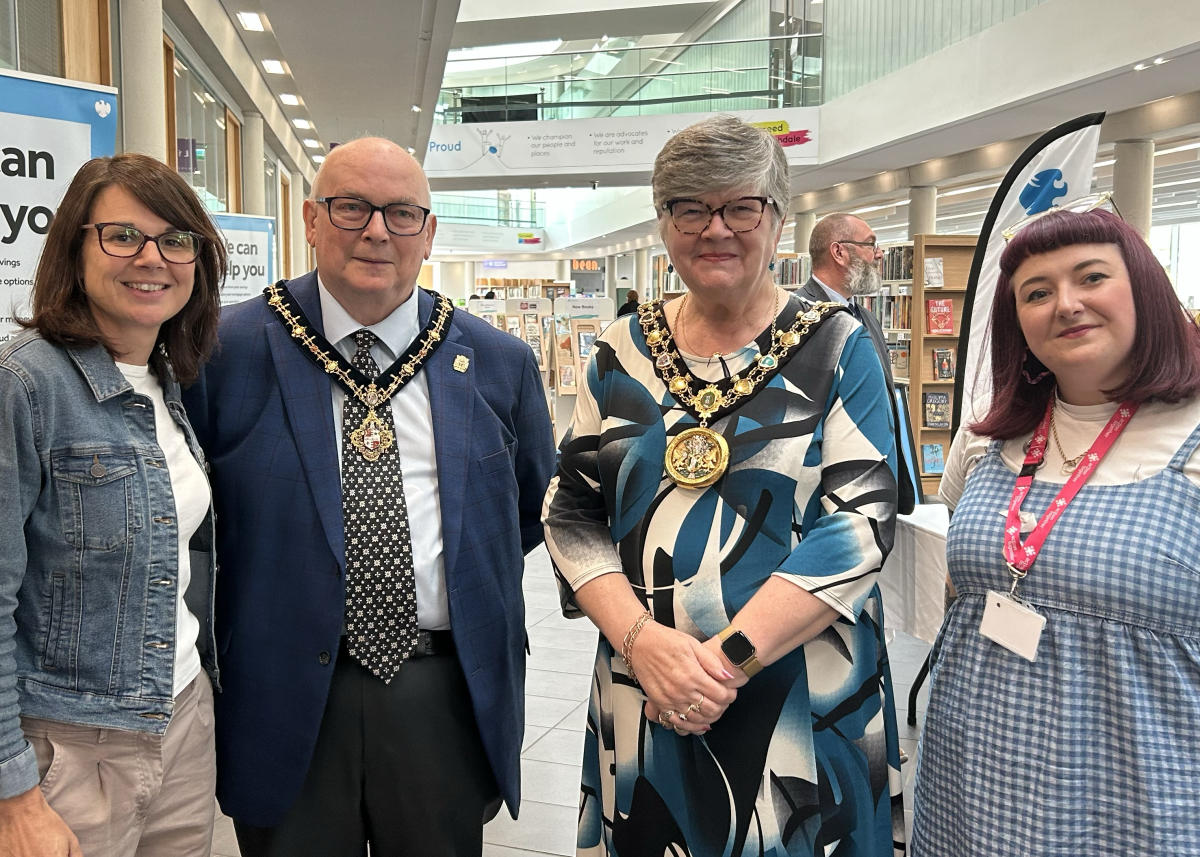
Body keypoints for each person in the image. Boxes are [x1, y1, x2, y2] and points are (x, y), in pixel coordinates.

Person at [181, 137, 556, 857]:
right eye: (352, 206)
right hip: (284, 694)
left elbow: (525, 512)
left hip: (441, 694)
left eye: (401, 213)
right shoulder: (224, 352)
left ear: (429, 232)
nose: (377, 230)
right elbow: (193, 522)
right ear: (312, 219)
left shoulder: (497, 363)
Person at [543, 115, 906, 856]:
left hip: (804, 692)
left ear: (777, 219)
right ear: (664, 223)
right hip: (645, 685)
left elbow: (861, 520)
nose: (716, 228)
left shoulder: (839, 342)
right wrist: (644, 645)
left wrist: (722, 662)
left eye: (741, 206)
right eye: (690, 207)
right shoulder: (619, 350)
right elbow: (571, 512)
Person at [912, 207, 1200, 854]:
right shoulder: (985, 437)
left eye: (1090, 277)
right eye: (1036, 292)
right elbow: (965, 584)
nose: (1065, 304)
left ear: (1144, 288)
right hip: (973, 775)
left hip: (1140, 791)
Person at [0, 153, 225, 856]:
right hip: (68, 752)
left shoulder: (166, 378)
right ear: (76, 245)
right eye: (122, 235)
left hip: (183, 721)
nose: (151, 257)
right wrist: (13, 794)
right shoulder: (26, 385)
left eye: (175, 238)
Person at [801, 213, 917, 513]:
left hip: (875, 483)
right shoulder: (798, 320)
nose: (879, 254)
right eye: (870, 244)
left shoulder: (864, 317)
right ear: (839, 252)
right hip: (826, 491)